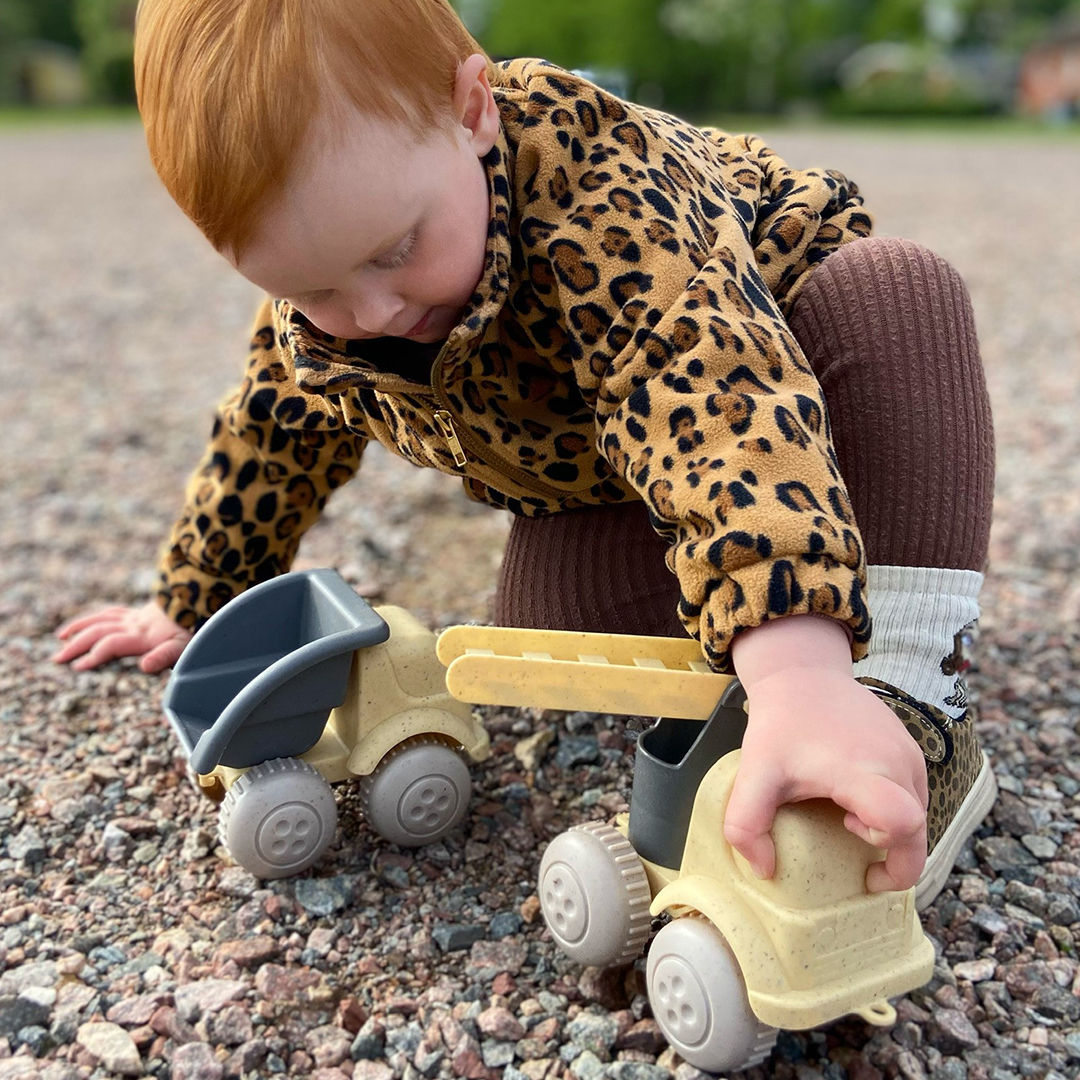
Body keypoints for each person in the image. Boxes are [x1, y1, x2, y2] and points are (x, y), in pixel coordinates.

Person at [53, 0, 997, 907]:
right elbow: (270, 435)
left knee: (896, 291)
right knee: (536, 623)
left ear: (472, 112)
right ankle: (804, 602)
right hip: (640, 473)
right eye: (311, 290)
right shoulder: (340, 304)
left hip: (787, 388)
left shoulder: (603, 190)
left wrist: (799, 676)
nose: (372, 315)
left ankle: (908, 689)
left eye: (396, 249)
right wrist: (194, 598)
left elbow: (706, 391)